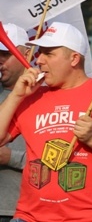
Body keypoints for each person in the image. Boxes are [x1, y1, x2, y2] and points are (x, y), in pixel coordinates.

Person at [0, 22, 92, 222]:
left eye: (49, 53)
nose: (39, 60)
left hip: (84, 217)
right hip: (29, 217)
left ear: (74, 58)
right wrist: (16, 96)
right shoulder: (31, 96)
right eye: (40, 53)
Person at [0, 24, 28, 222]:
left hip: (22, 212)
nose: (0, 62)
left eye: (6, 54)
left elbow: (59, 160)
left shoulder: (44, 98)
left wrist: (11, 157)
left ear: (26, 53)